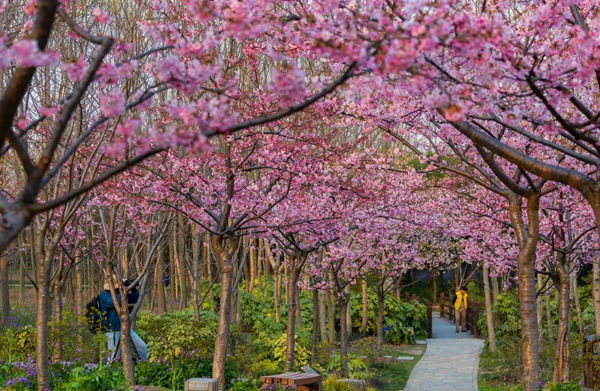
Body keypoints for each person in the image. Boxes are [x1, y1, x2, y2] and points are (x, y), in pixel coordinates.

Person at [99, 275, 148, 361]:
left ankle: (141, 368)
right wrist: (125, 289)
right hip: (113, 331)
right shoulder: (104, 296)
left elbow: (135, 298)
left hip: (126, 328)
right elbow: (116, 302)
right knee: (114, 358)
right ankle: (110, 373)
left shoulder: (121, 295)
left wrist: (132, 287)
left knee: (142, 347)